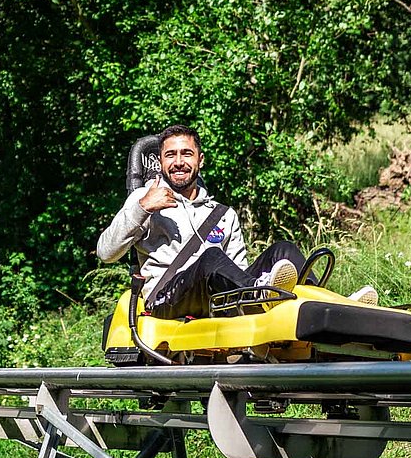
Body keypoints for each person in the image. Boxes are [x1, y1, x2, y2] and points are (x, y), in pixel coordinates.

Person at [96, 124, 310, 320]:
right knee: (211, 257)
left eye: (186, 154)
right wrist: (143, 207)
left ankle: (323, 303)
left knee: (284, 250)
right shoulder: (144, 197)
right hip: (164, 300)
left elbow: (238, 270)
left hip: (218, 298)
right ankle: (257, 295)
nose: (178, 162)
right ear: (161, 162)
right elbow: (106, 253)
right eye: (170, 155)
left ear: (200, 159)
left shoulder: (224, 214)